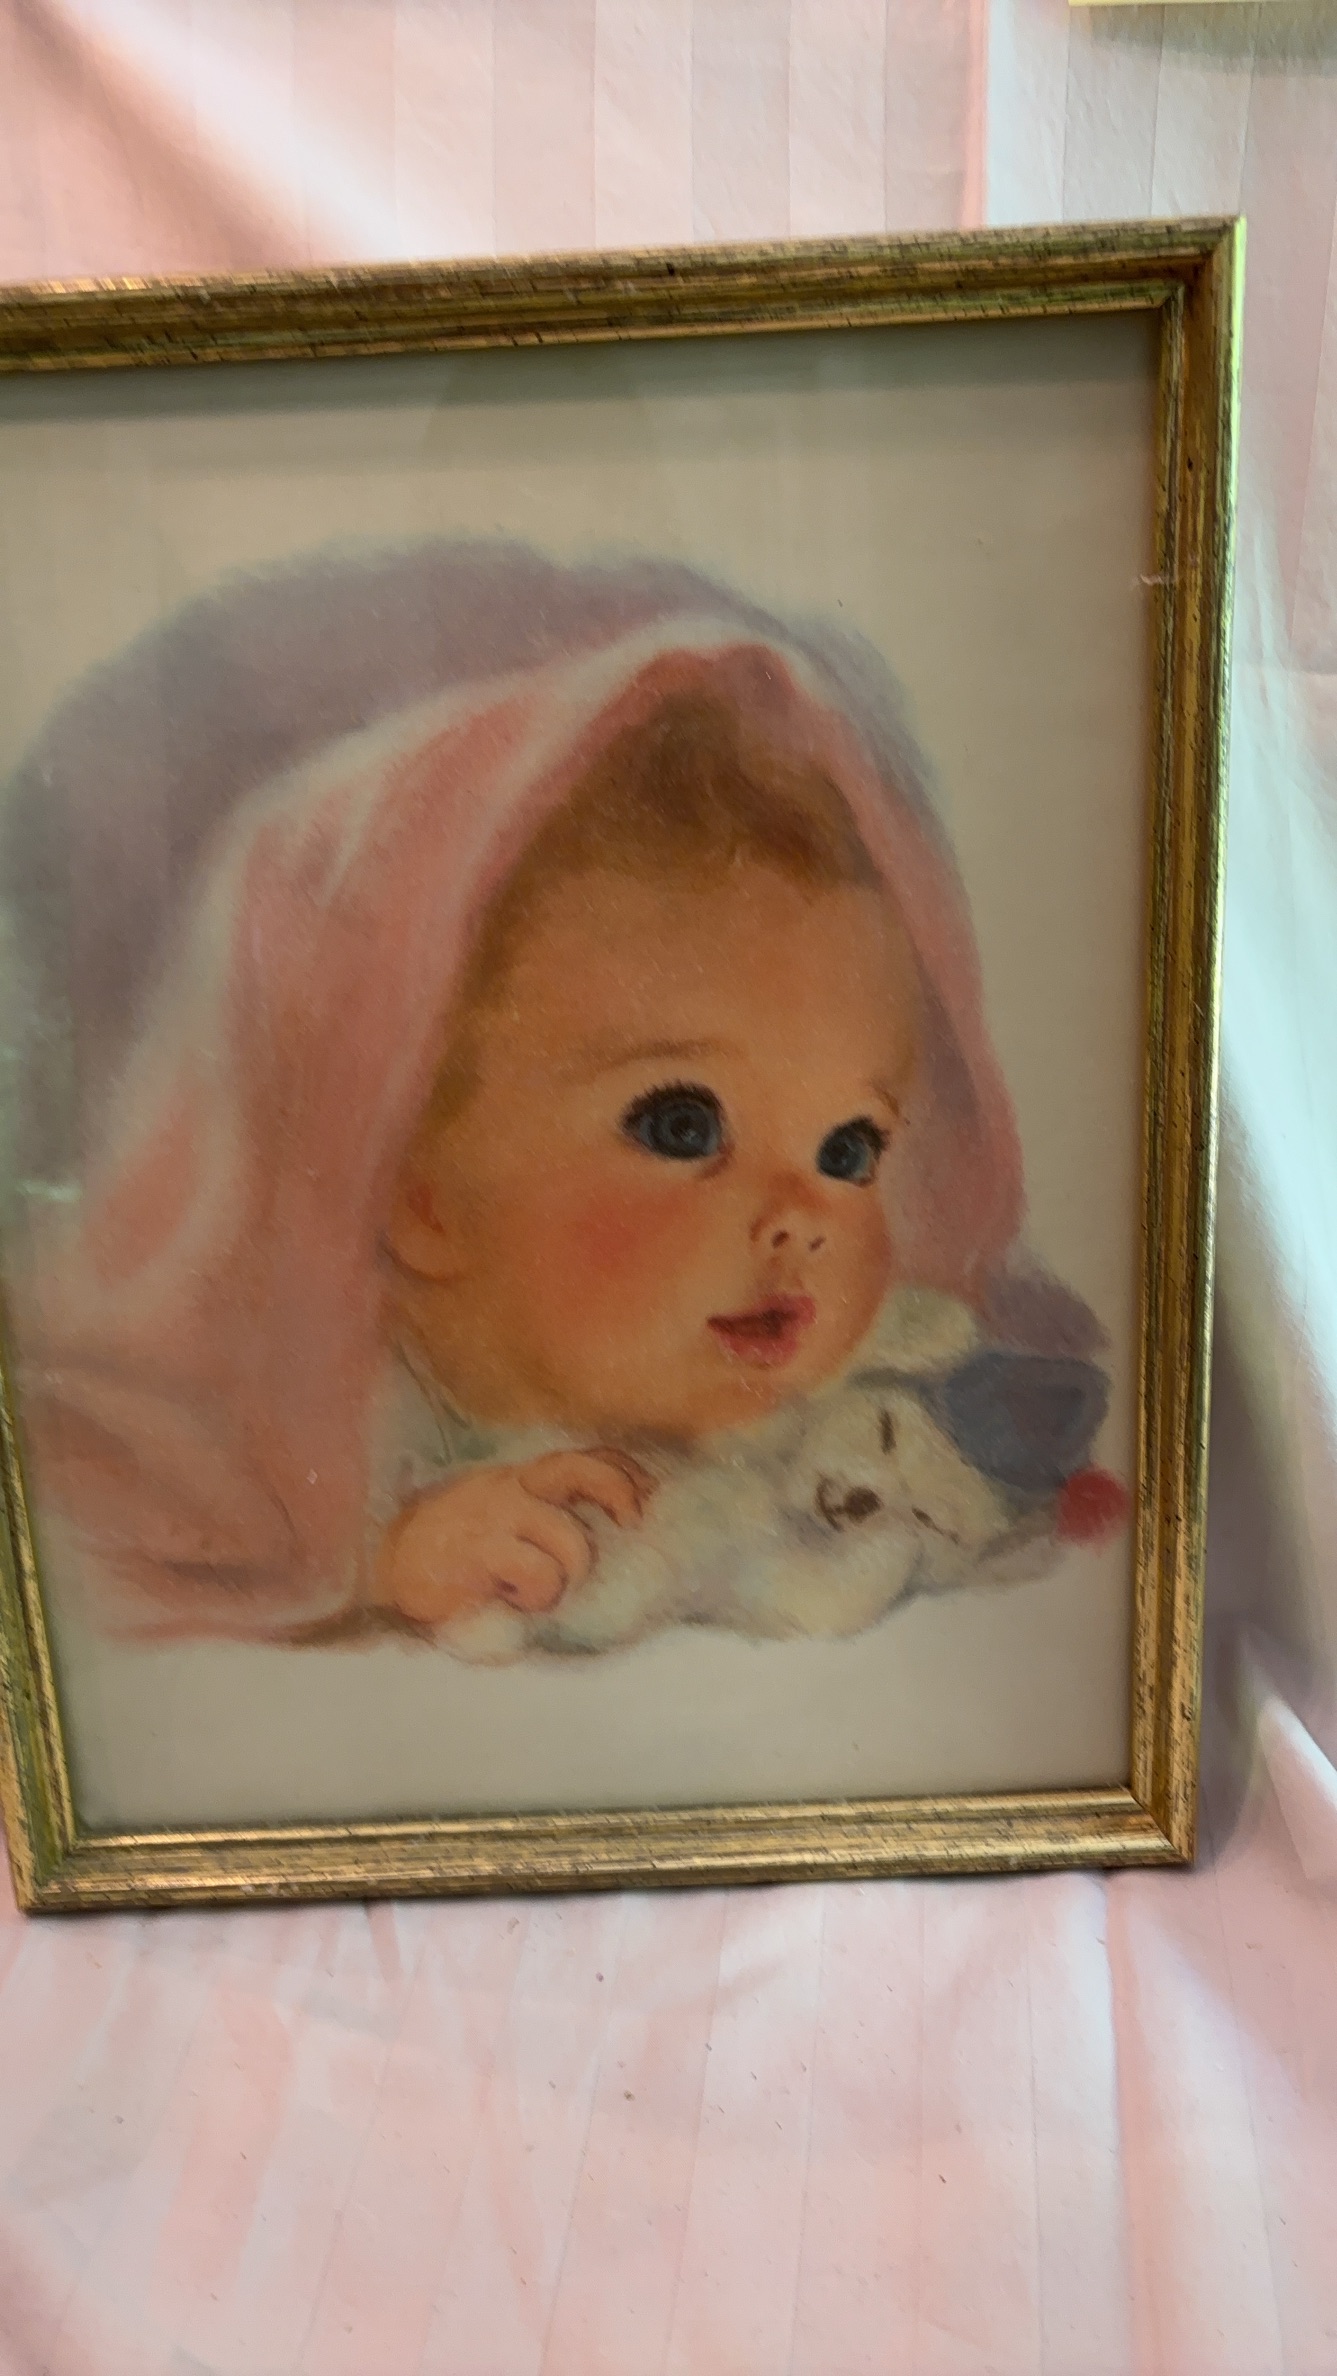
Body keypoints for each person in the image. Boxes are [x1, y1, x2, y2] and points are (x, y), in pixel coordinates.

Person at [11, 545, 1044, 1650]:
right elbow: (124, 1547)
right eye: (682, 1125)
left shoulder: (840, 1398)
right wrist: (382, 1558)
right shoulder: (317, 1429)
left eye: (848, 1149)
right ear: (418, 1191)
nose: (803, 1216)